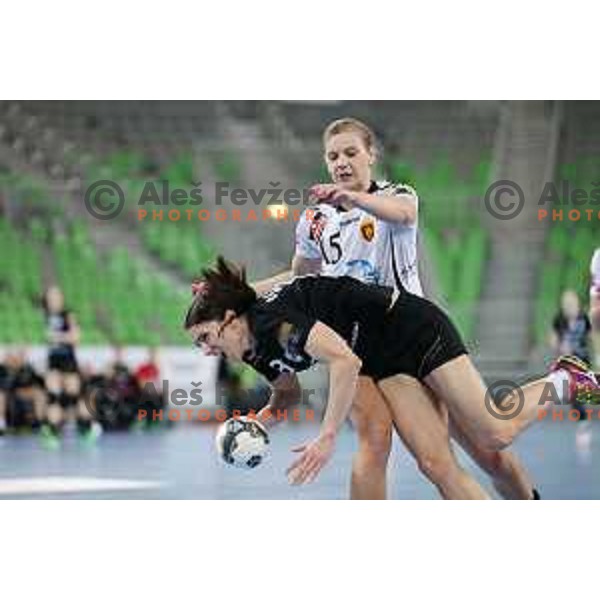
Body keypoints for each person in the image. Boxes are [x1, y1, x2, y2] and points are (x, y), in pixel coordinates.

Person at [252, 117, 536, 500]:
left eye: (351, 152)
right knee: (428, 460)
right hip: (366, 350)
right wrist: (240, 292)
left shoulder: (396, 194)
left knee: (492, 451)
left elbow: (402, 215)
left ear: (371, 155)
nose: (342, 162)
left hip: (414, 333)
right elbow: (298, 277)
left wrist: (353, 198)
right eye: (333, 156)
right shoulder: (314, 220)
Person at [184, 258, 600, 495]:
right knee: (435, 464)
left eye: (205, 337)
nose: (205, 349)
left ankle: (564, 378)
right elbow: (286, 395)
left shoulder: (275, 323)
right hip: (380, 356)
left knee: (494, 434)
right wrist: (259, 421)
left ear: (229, 319)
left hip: (412, 329)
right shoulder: (252, 350)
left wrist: (327, 435)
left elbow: (343, 362)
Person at [40, 286, 100, 448]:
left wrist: (58, 337)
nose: (54, 299)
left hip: (68, 361)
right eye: (51, 296)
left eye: (56, 296)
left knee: (74, 398)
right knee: (53, 397)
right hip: (53, 361)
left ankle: (86, 427)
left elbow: (76, 337)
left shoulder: (68, 315)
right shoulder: (46, 315)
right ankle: (52, 433)